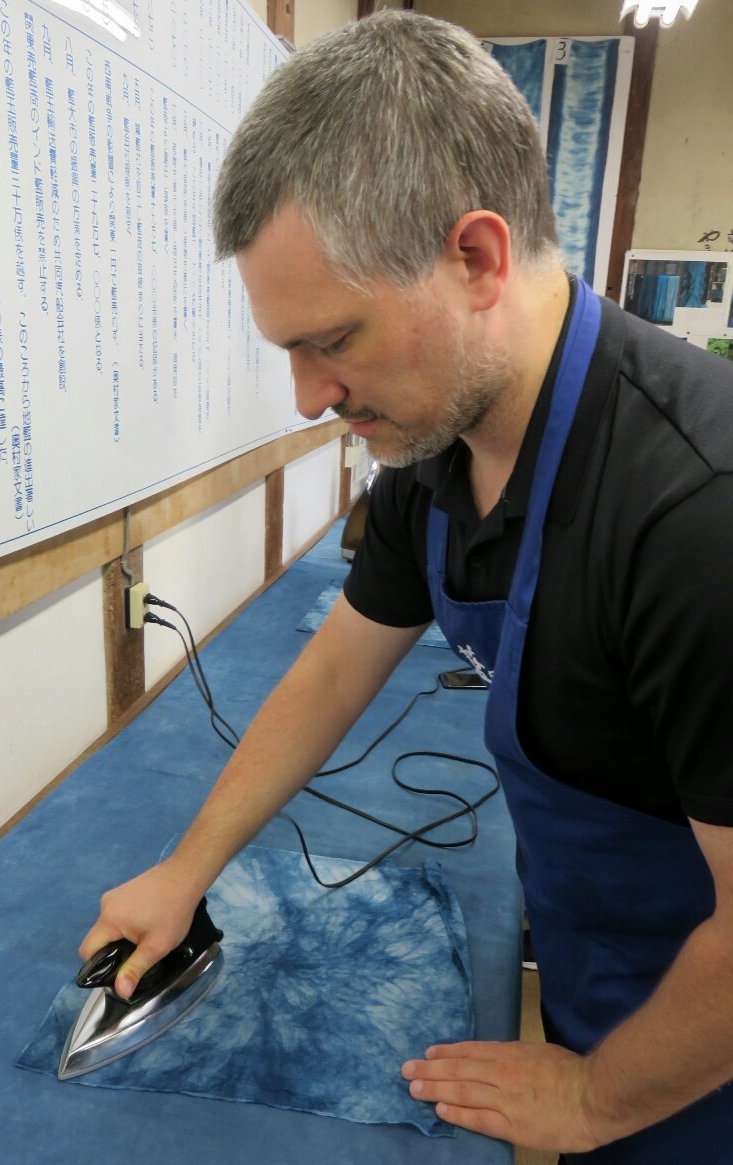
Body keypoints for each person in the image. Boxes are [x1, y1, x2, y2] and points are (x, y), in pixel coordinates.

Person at [80, 12, 733, 1160]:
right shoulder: (433, 453)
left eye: (331, 340)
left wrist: (597, 1100)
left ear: (474, 258)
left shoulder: (694, 515)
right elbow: (334, 667)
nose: (303, 396)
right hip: (597, 969)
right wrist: (186, 869)